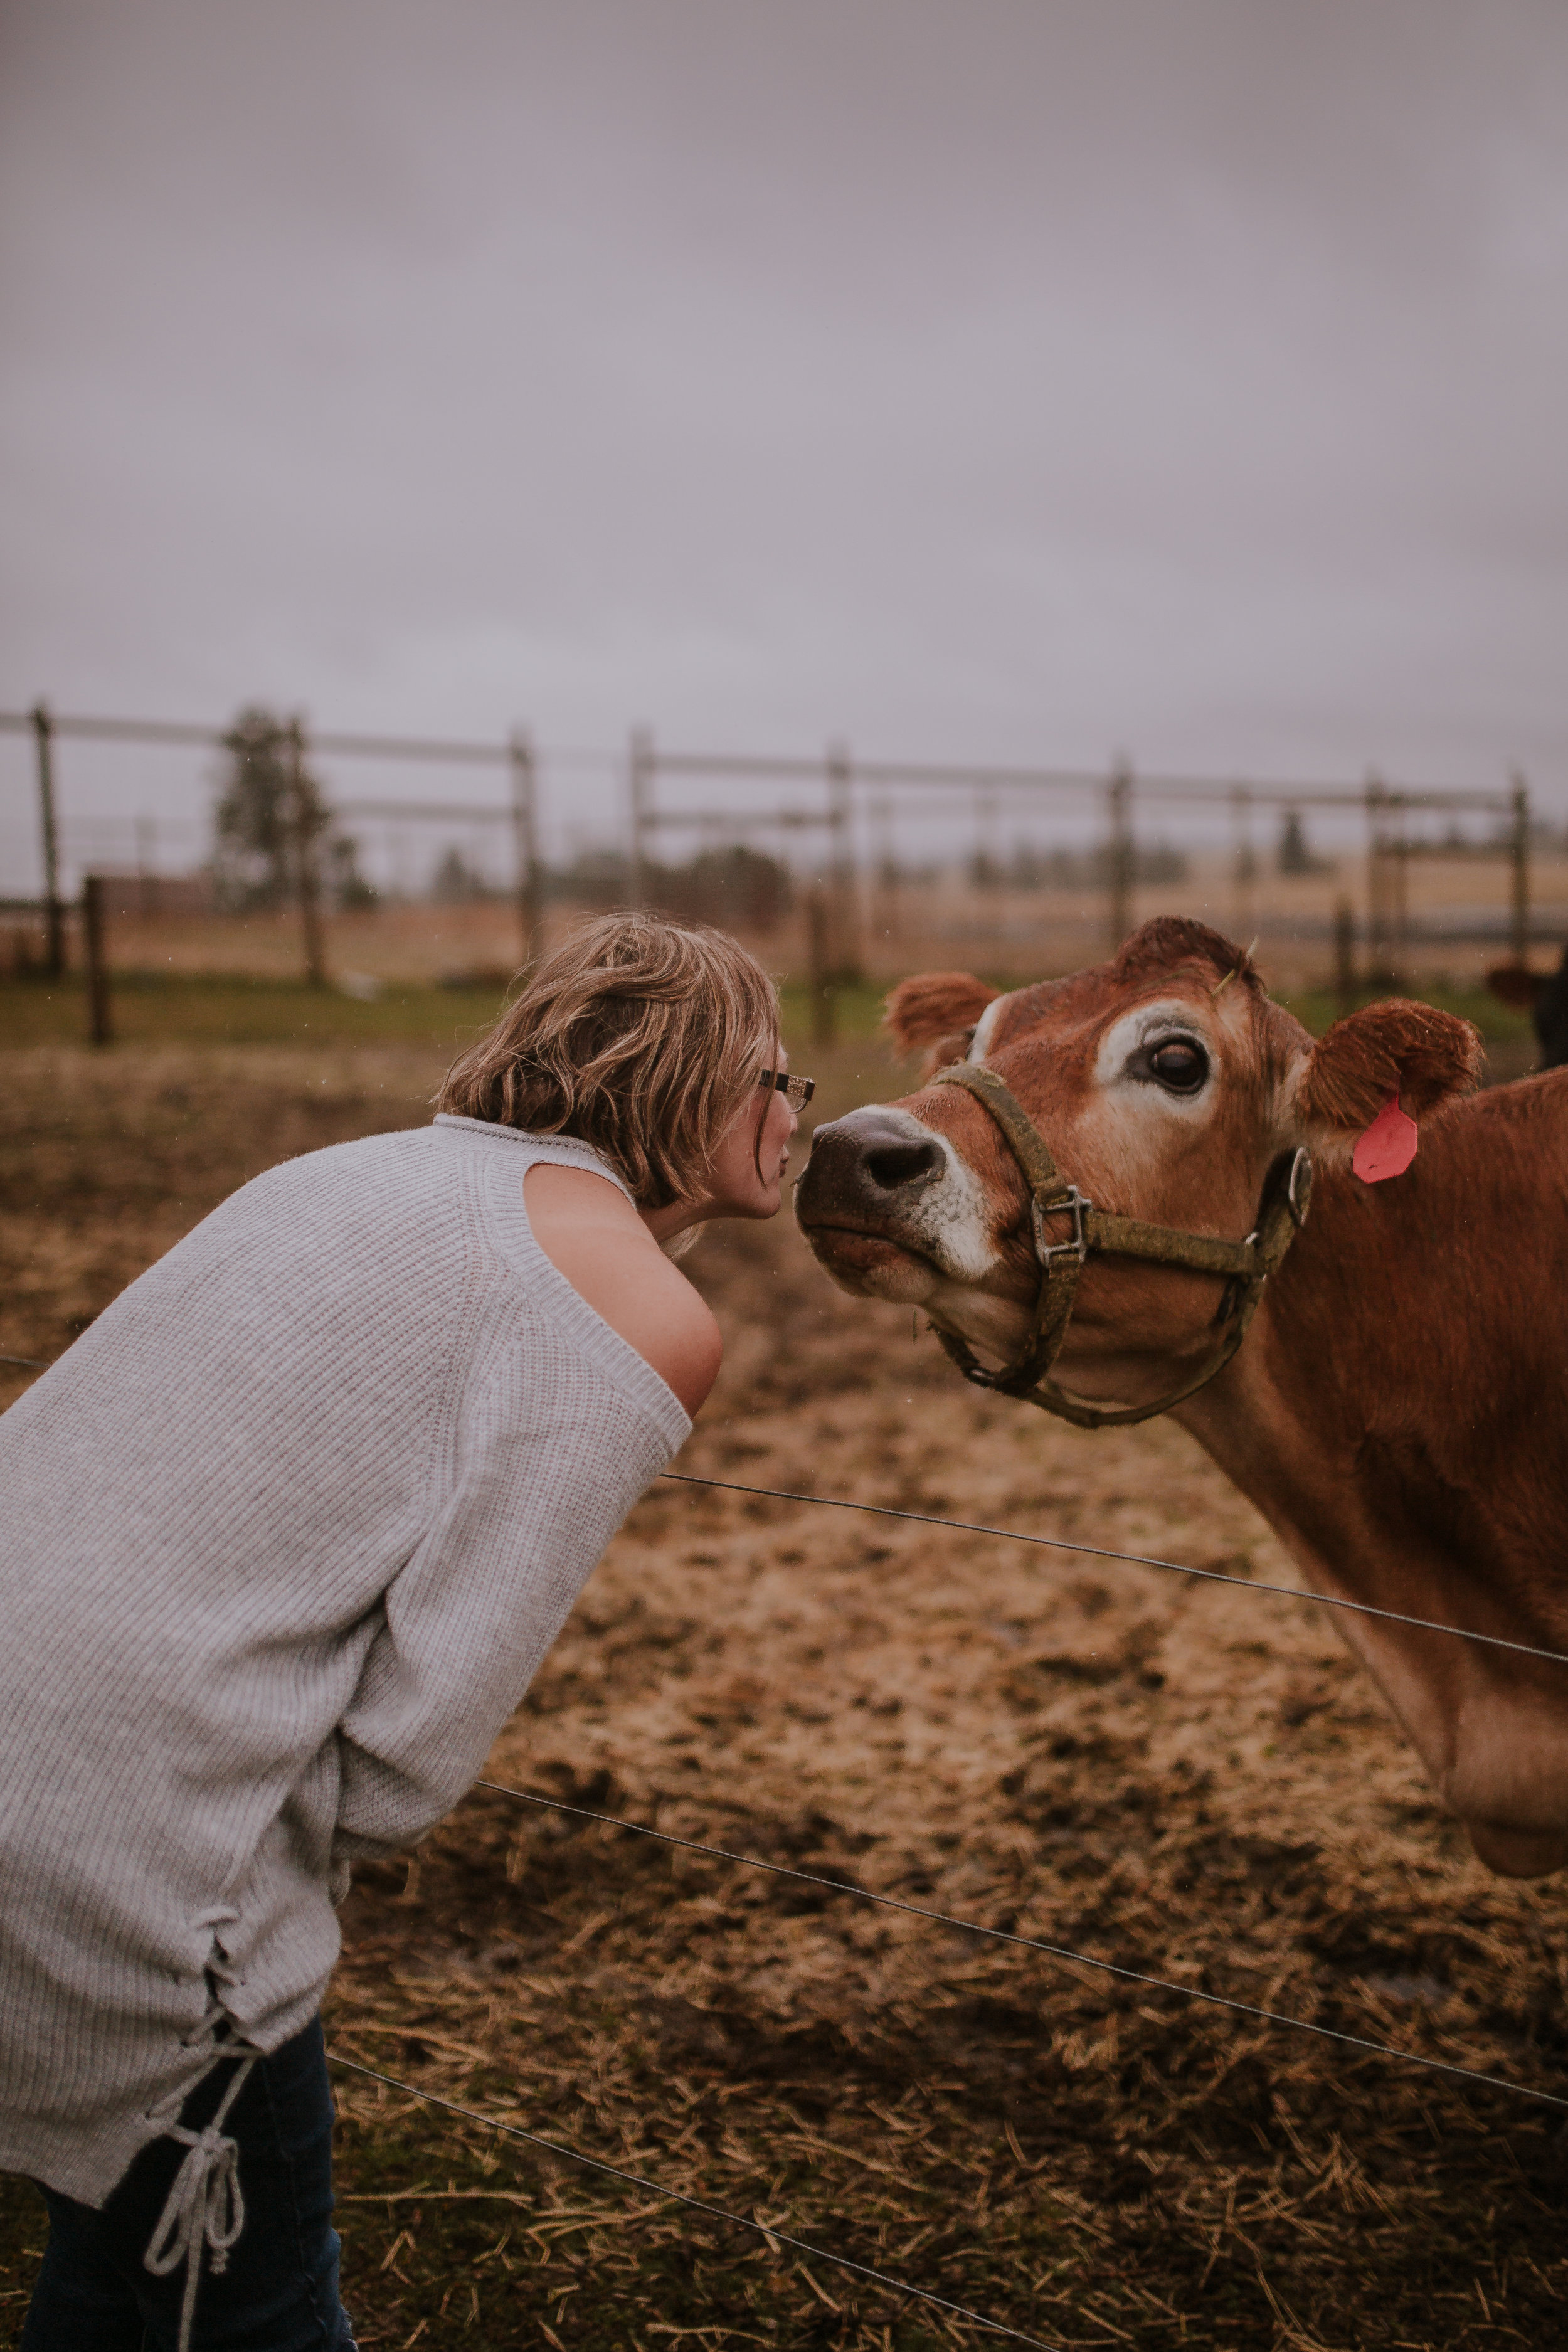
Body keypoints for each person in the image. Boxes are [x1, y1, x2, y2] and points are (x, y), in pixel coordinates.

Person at [0, 913, 812, 2352]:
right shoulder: (631, 1304)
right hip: (144, 1869)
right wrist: (258, 1858)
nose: (795, 1109)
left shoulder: (335, 1175)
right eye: (772, 1071)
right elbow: (406, 1763)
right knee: (258, 2311)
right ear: (684, 1081)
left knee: (119, 2281)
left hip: (38, 1772)